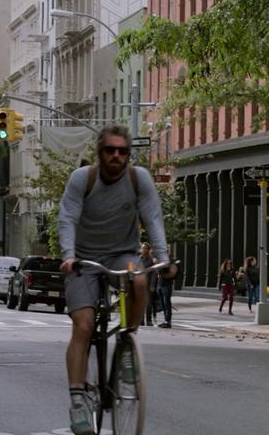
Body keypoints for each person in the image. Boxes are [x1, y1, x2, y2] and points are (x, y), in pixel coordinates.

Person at [57, 124, 171, 435]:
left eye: (123, 151)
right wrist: (68, 255)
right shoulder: (83, 179)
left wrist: (162, 258)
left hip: (123, 254)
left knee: (138, 280)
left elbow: (153, 218)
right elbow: (67, 217)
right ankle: (78, 400)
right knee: (83, 324)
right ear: (99, 152)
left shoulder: (139, 179)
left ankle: (126, 343)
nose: (117, 156)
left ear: (129, 155)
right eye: (110, 150)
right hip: (84, 259)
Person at [141, 243, 159, 326]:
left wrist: (152, 285)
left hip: (148, 285)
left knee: (148, 304)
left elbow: (154, 274)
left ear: (148, 250)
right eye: (142, 248)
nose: (143, 250)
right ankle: (141, 320)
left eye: (145, 248)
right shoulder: (139, 259)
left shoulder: (151, 260)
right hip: (140, 285)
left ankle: (149, 320)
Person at [156, 258, 177, 328]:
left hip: (166, 285)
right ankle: (165, 320)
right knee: (162, 304)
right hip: (160, 284)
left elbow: (162, 271)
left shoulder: (168, 262)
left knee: (166, 303)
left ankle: (168, 321)